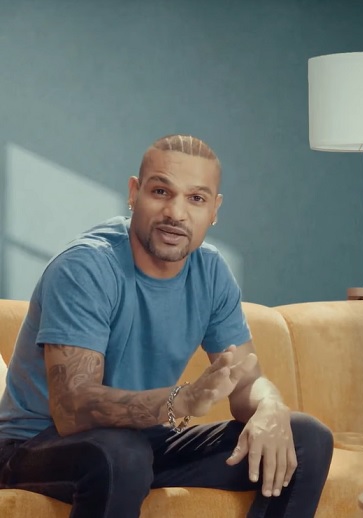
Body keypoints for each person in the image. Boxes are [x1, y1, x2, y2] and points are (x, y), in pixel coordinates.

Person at [0, 134, 334, 517]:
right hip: (34, 447)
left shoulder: (210, 272)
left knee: (306, 438)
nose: (176, 213)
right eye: (161, 191)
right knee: (120, 454)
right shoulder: (86, 268)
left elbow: (246, 382)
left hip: (142, 443)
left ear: (214, 210)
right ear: (134, 193)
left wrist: (271, 407)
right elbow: (72, 410)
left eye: (196, 198)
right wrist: (184, 400)